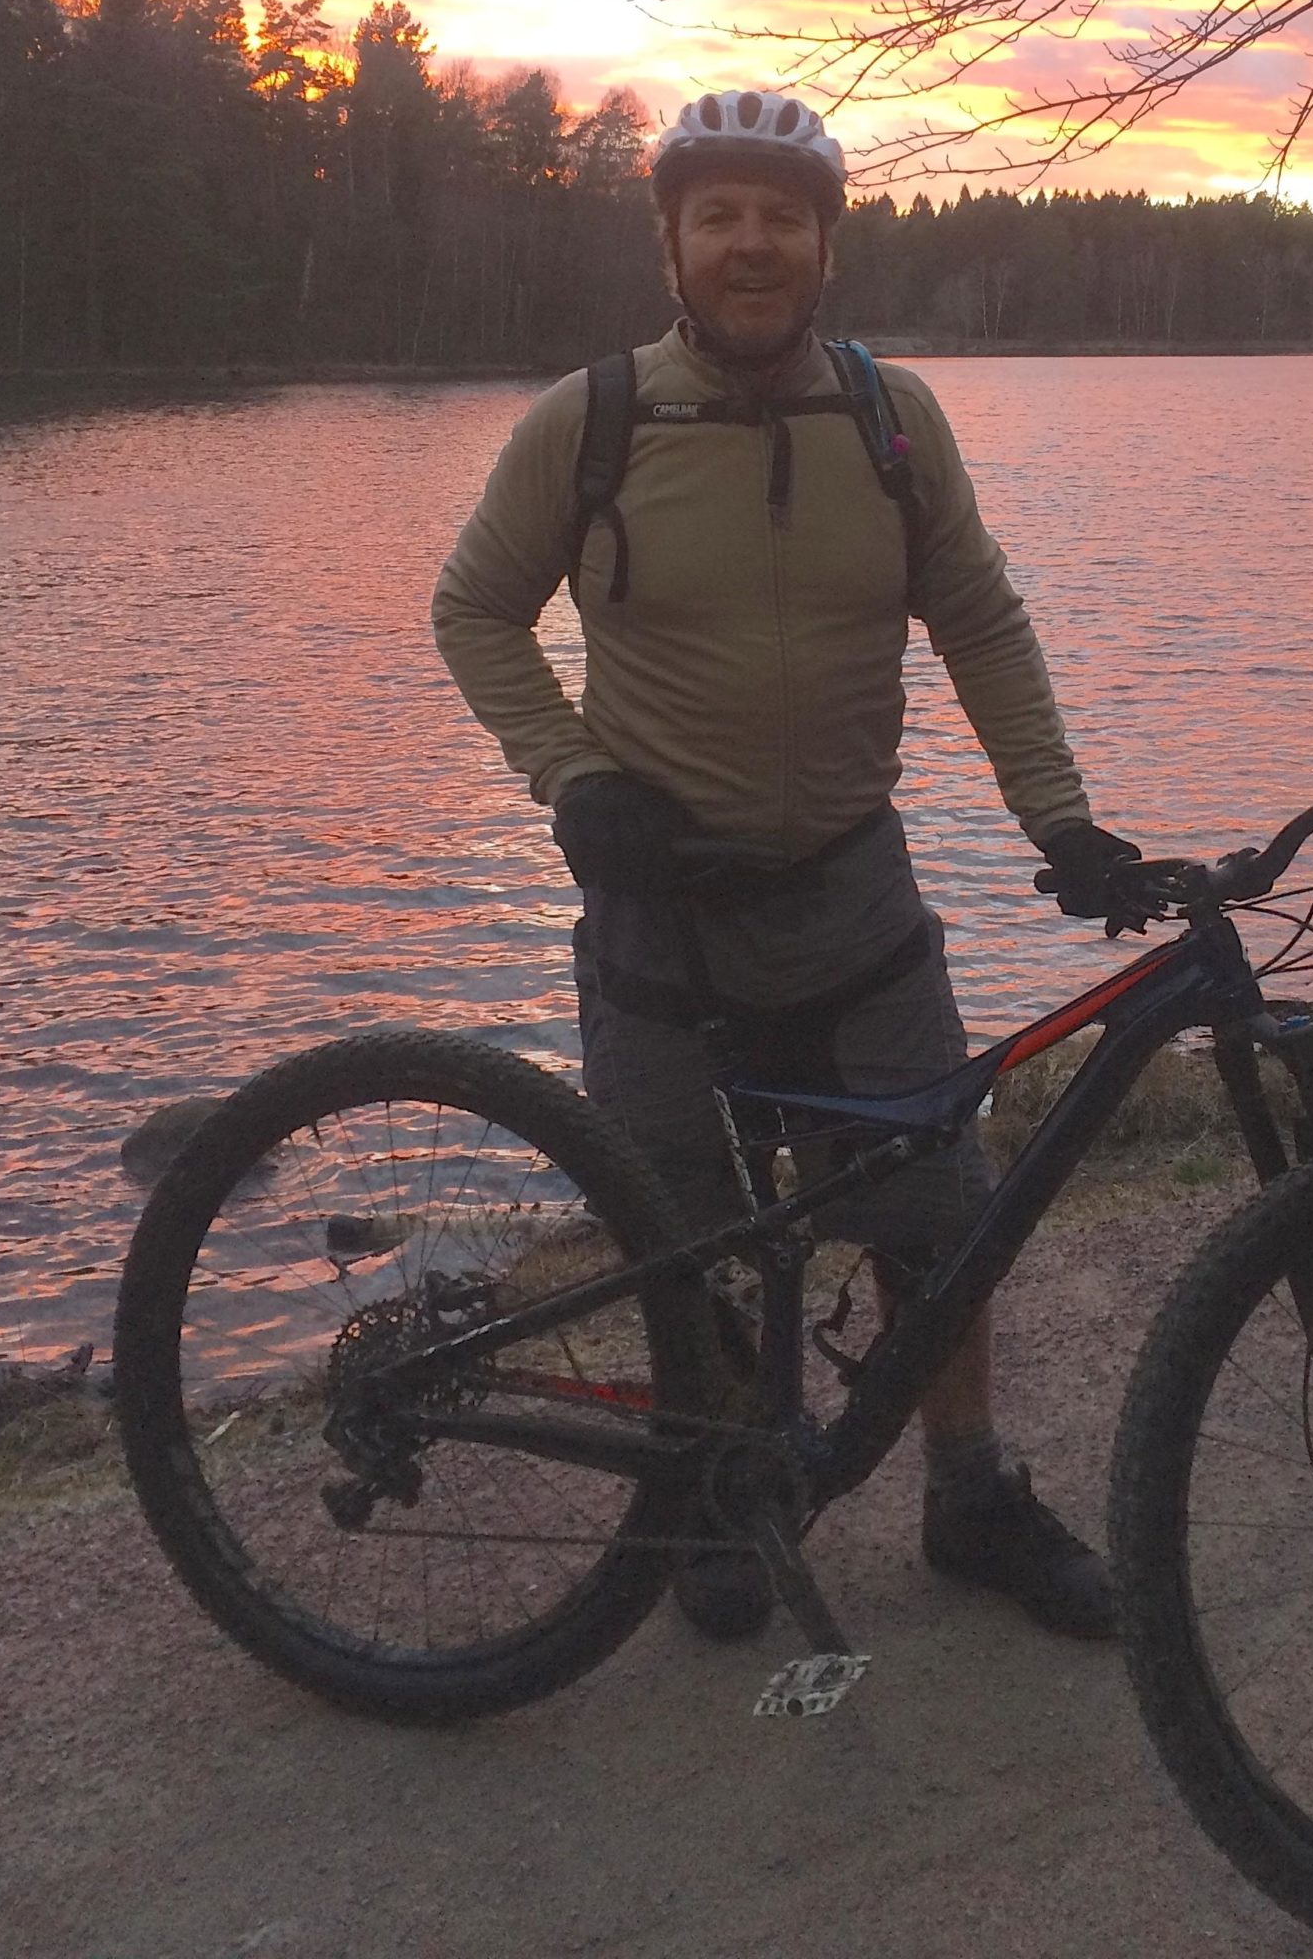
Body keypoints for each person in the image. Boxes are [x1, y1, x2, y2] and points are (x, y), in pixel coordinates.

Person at [431, 86, 1142, 1645]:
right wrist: (572, 777)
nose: (752, 245)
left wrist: (1060, 819)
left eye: (782, 218)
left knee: (933, 1218)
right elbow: (474, 608)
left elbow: (981, 619)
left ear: (825, 244)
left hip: (850, 893)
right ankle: (715, 1481)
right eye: (720, 217)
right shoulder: (596, 418)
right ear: (674, 244)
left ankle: (969, 1498)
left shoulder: (890, 421)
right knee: (687, 1227)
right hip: (659, 910)